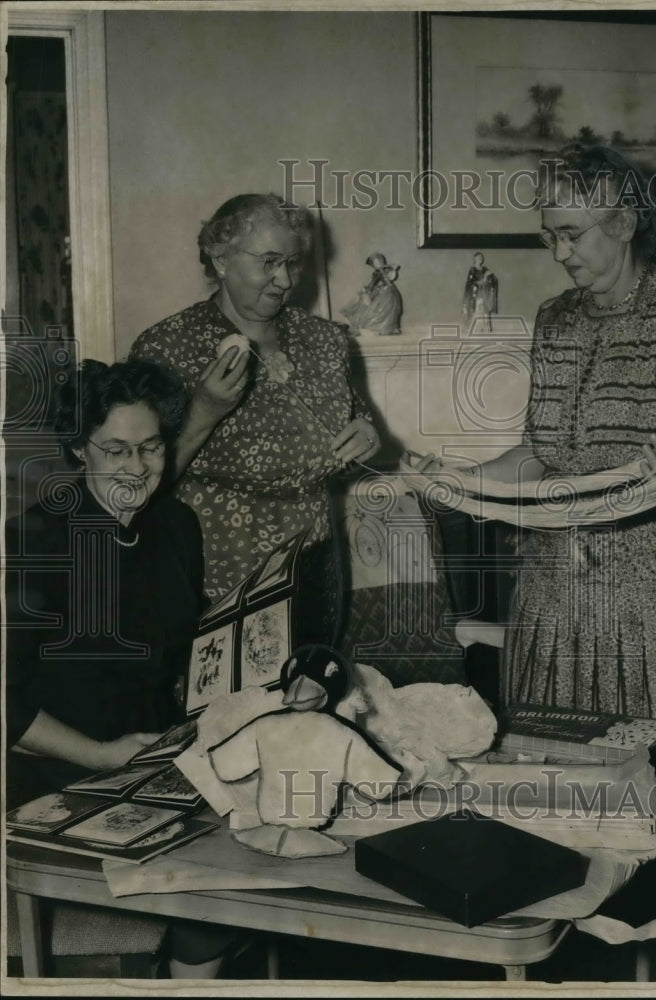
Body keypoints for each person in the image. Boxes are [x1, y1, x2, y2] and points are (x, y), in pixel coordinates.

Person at [414, 144, 656, 978]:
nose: (560, 253)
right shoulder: (557, 320)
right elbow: (537, 454)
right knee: (565, 780)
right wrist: (460, 483)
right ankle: (578, 942)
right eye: (550, 236)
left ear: (626, 223)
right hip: (563, 581)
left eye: (573, 233)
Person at [5, 358, 242, 977]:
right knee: (211, 888)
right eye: (116, 451)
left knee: (271, 837)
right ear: (79, 450)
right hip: (55, 771)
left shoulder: (176, 526)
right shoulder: (36, 543)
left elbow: (190, 652)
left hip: (151, 757)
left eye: (151, 447)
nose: (137, 470)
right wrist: (101, 756)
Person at [130, 193, 380, 645]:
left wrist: (364, 436)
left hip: (315, 566)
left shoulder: (324, 340)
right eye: (268, 262)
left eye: (294, 262)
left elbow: (353, 428)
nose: (284, 280)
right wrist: (204, 411)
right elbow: (137, 486)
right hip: (214, 576)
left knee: (307, 704)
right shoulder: (168, 347)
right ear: (220, 259)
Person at [342, 251, 403, 336]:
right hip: (383, 293)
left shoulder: (386, 271)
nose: (374, 266)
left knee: (372, 311)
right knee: (362, 299)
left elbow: (386, 282)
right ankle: (357, 320)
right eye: (373, 264)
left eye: (374, 262)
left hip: (386, 296)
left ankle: (376, 326)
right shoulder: (378, 274)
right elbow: (375, 284)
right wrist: (369, 289)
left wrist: (373, 289)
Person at [462, 252, 498, 332]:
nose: (480, 259)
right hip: (476, 295)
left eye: (481, 257)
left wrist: (491, 279)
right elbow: (470, 283)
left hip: (484, 293)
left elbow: (492, 279)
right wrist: (484, 279)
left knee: (485, 310)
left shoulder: (485, 269)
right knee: (476, 310)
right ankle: (474, 328)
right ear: (475, 259)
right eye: (478, 257)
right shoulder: (472, 270)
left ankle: (485, 328)